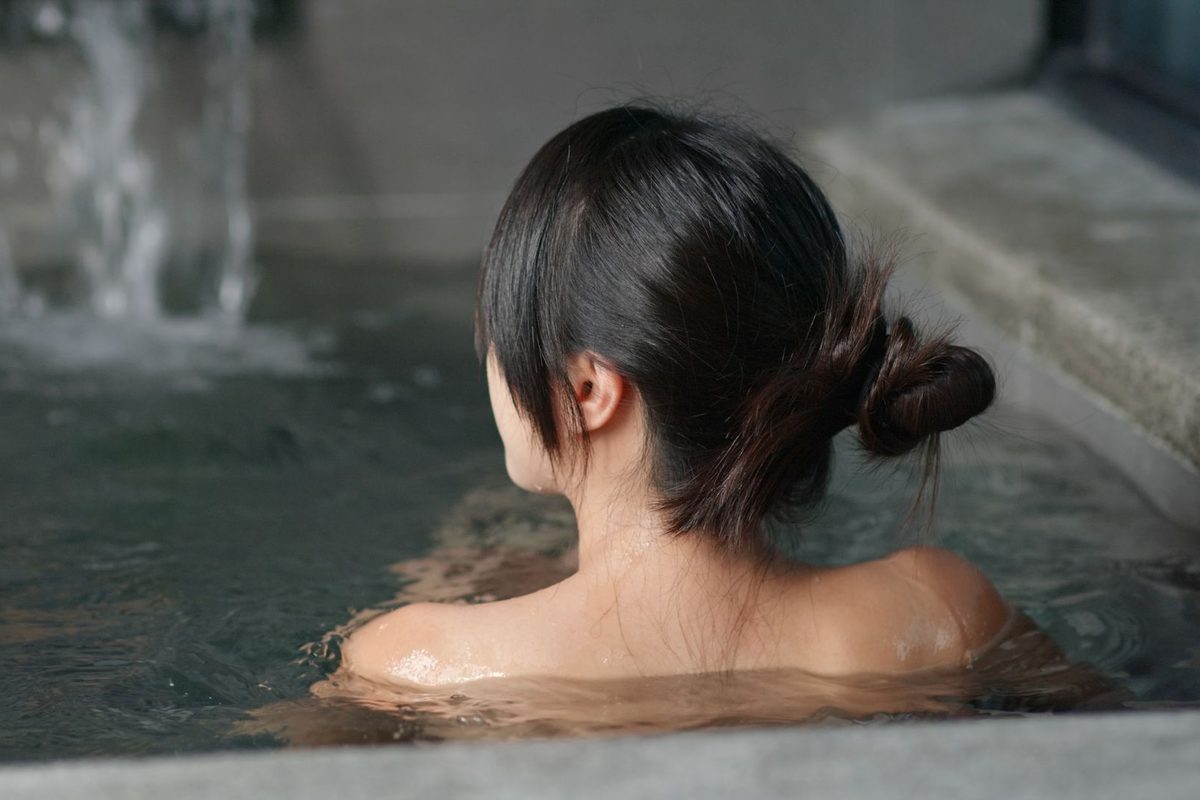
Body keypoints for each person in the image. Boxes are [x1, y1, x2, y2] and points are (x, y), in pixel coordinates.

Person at [338, 103, 1013, 688]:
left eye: (497, 335)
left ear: (587, 390)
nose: (492, 361)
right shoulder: (935, 616)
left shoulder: (415, 662)